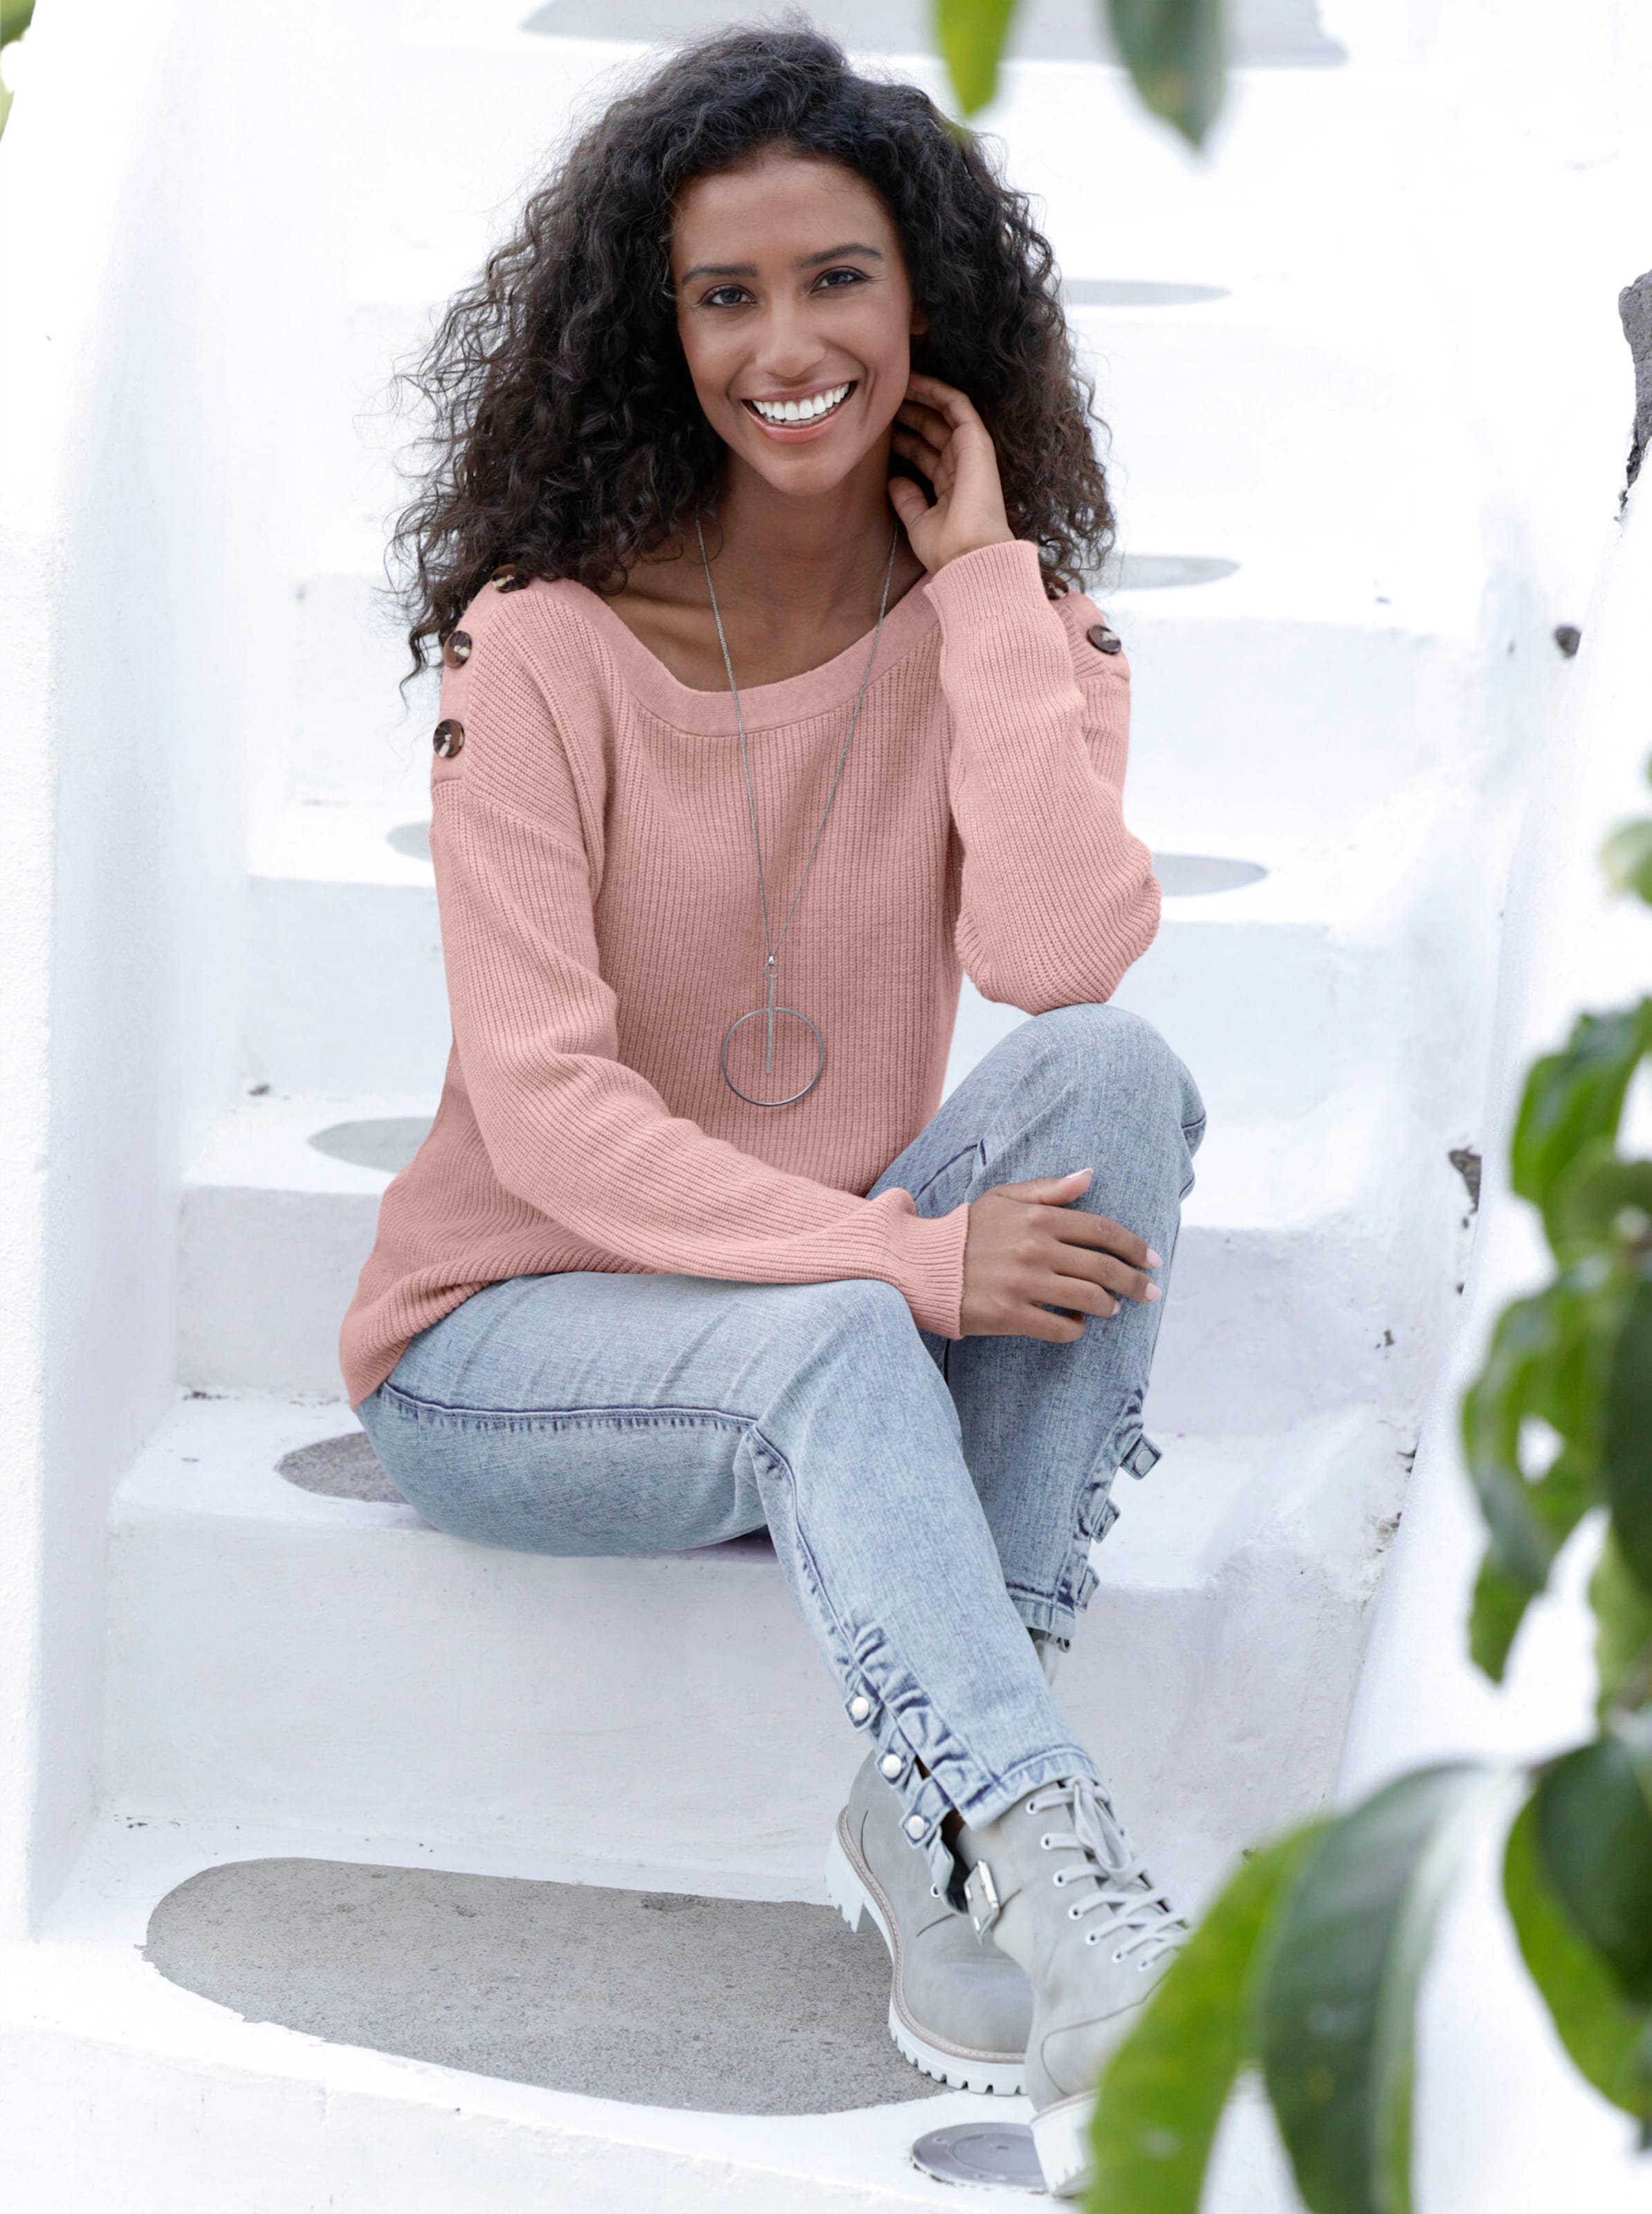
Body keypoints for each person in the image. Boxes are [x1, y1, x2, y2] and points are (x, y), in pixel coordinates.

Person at [339, 24, 1205, 2196]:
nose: (783, 346)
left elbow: (1063, 954)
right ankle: (1054, 1876)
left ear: (927, 304)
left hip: (818, 1322)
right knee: (830, 1330)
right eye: (723, 296)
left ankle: (931, 1814)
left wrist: (987, 588)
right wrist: (905, 1259)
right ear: (657, 333)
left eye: (835, 280)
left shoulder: (1011, 628)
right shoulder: (538, 646)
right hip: (513, 1345)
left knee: (1114, 1083)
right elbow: (544, 1114)